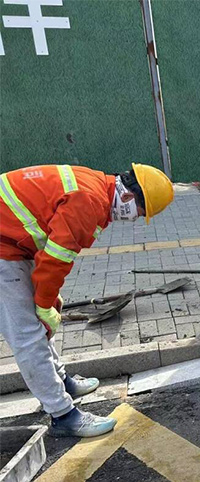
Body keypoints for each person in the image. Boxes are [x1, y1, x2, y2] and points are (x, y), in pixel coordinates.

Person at [0, 163, 174, 437]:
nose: (133, 219)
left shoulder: (97, 188)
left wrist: (47, 298)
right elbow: (56, 260)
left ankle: (61, 382)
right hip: (4, 248)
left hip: (13, 242)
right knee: (28, 334)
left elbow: (50, 250)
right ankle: (63, 415)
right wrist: (44, 303)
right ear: (129, 197)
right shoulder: (89, 202)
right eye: (139, 214)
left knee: (40, 319)